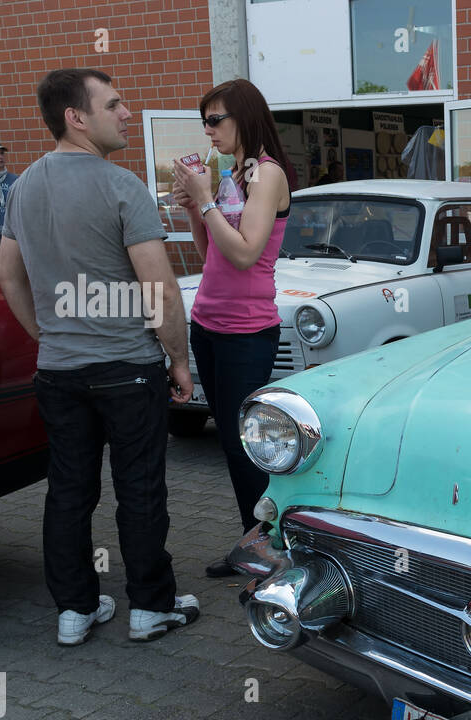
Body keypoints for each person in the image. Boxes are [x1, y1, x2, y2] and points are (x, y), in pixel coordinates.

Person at [0, 68, 200, 646]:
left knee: (68, 489)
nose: (127, 113)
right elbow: (160, 289)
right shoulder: (122, 185)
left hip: (59, 371)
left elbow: (7, 277)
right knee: (138, 488)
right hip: (127, 369)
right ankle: (150, 608)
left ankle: (75, 611)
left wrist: (49, 334)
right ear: (76, 117)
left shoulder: (24, 186)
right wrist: (179, 361)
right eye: (115, 104)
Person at [170, 78, 296, 578]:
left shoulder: (268, 174)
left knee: (251, 447)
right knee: (230, 441)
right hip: (208, 323)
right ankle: (254, 542)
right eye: (205, 121)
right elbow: (213, 256)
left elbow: (245, 254)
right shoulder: (232, 177)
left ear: (245, 116)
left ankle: (275, 544)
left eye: (215, 119)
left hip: (247, 331)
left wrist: (203, 200)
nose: (209, 130)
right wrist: (193, 208)